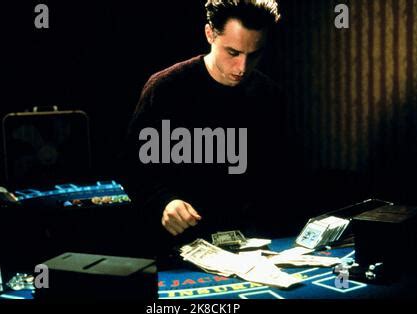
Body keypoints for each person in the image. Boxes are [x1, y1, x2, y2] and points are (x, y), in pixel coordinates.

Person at [123, 0, 305, 254]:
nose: (242, 68)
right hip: (176, 243)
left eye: (253, 55)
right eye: (232, 52)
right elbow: (132, 167)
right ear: (210, 33)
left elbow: (275, 176)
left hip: (249, 243)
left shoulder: (269, 96)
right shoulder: (165, 89)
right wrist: (163, 202)